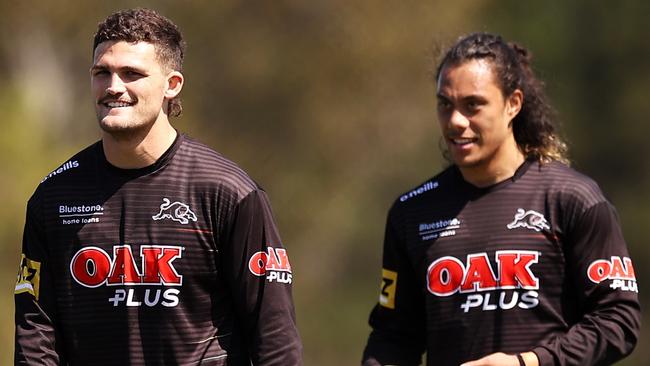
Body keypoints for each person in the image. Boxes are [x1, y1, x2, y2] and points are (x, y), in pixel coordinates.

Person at [14, 8, 302, 365]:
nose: (113, 87)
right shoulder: (53, 197)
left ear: (172, 84)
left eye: (132, 74)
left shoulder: (229, 192)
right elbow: (35, 335)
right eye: (101, 72)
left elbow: (274, 337)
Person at [362, 32, 640, 366]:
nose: (455, 121)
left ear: (513, 104)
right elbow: (393, 337)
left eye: (472, 105)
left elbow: (617, 321)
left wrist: (530, 362)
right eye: (445, 104)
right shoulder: (412, 213)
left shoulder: (573, 199)